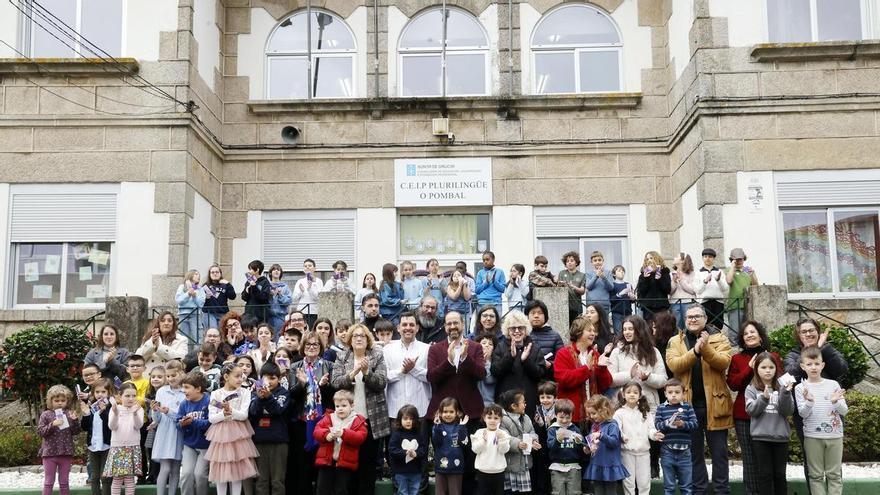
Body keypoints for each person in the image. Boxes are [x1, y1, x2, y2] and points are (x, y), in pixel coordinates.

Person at [665, 304, 733, 495]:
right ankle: (699, 490)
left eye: (697, 316)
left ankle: (722, 491)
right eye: (689, 317)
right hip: (687, 407)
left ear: (705, 319)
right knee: (694, 454)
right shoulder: (675, 341)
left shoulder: (719, 338)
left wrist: (705, 348)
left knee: (719, 453)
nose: (692, 319)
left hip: (715, 404)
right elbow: (674, 365)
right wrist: (695, 351)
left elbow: (723, 362)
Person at [783, 317, 848, 491]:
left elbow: (842, 369)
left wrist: (822, 348)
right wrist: (810, 352)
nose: (808, 334)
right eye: (803, 331)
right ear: (798, 335)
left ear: (817, 332)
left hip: (832, 412)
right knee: (812, 464)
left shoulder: (827, 349)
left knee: (834, 467)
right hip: (807, 416)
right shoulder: (793, 355)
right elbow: (790, 374)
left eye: (811, 330)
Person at [426, 311, 486, 494]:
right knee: (445, 461)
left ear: (463, 324)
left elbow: (481, 374)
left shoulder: (475, 347)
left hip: (470, 413)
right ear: (444, 326)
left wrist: (466, 359)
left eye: (456, 323)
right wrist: (449, 361)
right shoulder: (435, 349)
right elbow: (431, 377)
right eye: (449, 323)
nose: (453, 327)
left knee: (470, 460)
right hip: (444, 414)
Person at [330, 323, 390, 495]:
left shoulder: (376, 355)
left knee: (368, 466)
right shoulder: (342, 356)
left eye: (362, 336)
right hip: (347, 421)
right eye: (355, 335)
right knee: (348, 467)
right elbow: (335, 382)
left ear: (368, 339)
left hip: (371, 420)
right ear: (350, 339)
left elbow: (381, 382)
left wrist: (367, 373)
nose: (358, 338)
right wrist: (353, 373)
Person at [726, 320, 780, 495]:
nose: (749, 335)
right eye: (746, 333)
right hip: (744, 415)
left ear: (760, 335)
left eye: (753, 332)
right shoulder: (737, 358)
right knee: (749, 459)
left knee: (767, 460)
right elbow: (733, 384)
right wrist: (749, 368)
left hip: (769, 414)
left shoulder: (773, 356)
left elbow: (779, 381)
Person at [795, 347, 848, 495]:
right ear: (803, 366)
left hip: (835, 436)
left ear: (822, 365)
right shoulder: (800, 388)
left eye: (817, 364)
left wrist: (835, 402)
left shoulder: (833, 385)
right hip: (812, 436)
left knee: (834, 475)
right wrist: (809, 401)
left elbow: (844, 411)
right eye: (809, 364)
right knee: (815, 476)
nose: (813, 367)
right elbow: (803, 414)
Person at [288, 331, 334, 495]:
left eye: (315, 344)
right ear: (303, 346)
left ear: (321, 346)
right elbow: (291, 395)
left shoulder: (329, 365)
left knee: (321, 464)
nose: (312, 347)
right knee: (302, 465)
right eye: (308, 344)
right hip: (302, 421)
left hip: (323, 422)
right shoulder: (295, 366)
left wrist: (324, 385)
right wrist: (301, 384)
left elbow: (334, 394)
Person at [745, 351, 795, 495]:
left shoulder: (783, 387)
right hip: (760, 438)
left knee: (780, 475)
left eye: (771, 367)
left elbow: (788, 411)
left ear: (776, 369)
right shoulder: (751, 388)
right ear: (756, 369)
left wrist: (786, 393)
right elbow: (751, 410)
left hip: (780, 438)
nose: (768, 371)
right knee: (765, 475)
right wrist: (763, 398)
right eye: (763, 367)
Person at [206, 363, 259, 495]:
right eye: (237, 376)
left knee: (237, 472)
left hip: (238, 435)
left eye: (242, 376)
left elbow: (243, 415)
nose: (240, 379)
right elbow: (212, 418)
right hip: (220, 436)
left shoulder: (245, 393)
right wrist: (223, 414)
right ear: (226, 377)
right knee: (220, 470)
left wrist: (231, 410)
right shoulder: (216, 394)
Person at [552, 315, 612, 423]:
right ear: (578, 333)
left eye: (594, 330)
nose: (593, 334)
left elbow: (606, 384)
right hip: (571, 417)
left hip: (594, 416)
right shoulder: (563, 353)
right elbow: (564, 379)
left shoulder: (595, 354)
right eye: (589, 330)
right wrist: (586, 369)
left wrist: (602, 368)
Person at [314, 390, 368, 495]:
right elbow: (317, 431)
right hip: (327, 461)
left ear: (352, 406)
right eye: (337, 406)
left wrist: (344, 433)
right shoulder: (329, 417)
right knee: (322, 489)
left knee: (341, 490)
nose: (340, 409)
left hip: (345, 463)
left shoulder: (358, 421)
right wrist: (326, 435)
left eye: (344, 405)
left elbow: (360, 437)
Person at [608, 315, 668, 411]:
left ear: (639, 330)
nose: (626, 332)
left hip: (649, 404)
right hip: (624, 405)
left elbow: (663, 380)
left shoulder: (653, 351)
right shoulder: (616, 352)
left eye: (630, 329)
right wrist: (629, 375)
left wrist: (648, 378)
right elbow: (610, 380)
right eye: (624, 329)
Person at [249, 362, 291, 495]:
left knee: (277, 481)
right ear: (260, 379)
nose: (269, 381)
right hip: (259, 440)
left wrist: (268, 397)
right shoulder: (254, 393)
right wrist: (259, 399)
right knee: (261, 481)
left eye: (272, 378)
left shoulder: (284, 393)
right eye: (265, 378)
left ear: (279, 379)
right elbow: (253, 413)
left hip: (279, 442)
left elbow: (278, 410)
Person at [491, 311, 542, 417]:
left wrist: (525, 360)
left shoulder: (534, 348)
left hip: (529, 399)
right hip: (506, 399)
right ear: (508, 330)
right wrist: (510, 357)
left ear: (526, 329)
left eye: (520, 328)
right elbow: (495, 371)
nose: (517, 331)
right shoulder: (500, 347)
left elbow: (540, 374)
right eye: (513, 328)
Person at [614, 381, 660, 495]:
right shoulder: (619, 413)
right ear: (623, 394)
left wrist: (655, 435)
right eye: (628, 392)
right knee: (628, 482)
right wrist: (622, 436)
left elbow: (650, 429)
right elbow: (616, 429)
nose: (632, 394)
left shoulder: (645, 412)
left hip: (644, 453)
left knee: (644, 482)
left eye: (635, 392)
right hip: (627, 453)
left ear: (640, 395)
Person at [654, 378, 699, 495]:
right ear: (665, 394)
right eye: (670, 392)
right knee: (669, 486)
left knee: (687, 486)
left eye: (677, 392)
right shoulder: (661, 408)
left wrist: (683, 424)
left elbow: (695, 424)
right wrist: (667, 422)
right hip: (667, 451)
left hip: (685, 452)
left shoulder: (688, 407)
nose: (673, 395)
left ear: (683, 393)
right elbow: (657, 425)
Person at [384, 313, 431, 420]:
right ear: (398, 328)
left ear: (417, 328)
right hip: (395, 410)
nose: (408, 328)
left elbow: (430, 376)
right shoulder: (387, 350)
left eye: (411, 325)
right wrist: (402, 371)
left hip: (420, 409)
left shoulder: (427, 349)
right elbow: (385, 377)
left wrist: (414, 369)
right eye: (404, 325)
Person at [151, 360, 186, 495]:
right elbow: (157, 419)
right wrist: (155, 410)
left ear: (181, 373)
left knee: (175, 470)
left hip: (178, 433)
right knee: (165, 468)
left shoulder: (185, 392)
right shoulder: (161, 391)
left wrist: (169, 412)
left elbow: (182, 416)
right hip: (164, 433)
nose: (170, 378)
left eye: (173, 375)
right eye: (168, 376)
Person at [39, 384, 80, 495]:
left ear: (67, 401)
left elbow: (76, 431)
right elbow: (41, 432)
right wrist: (52, 424)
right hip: (49, 453)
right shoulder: (45, 415)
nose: (60, 403)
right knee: (48, 482)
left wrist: (75, 421)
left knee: (64, 482)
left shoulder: (69, 414)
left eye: (63, 400)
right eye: (56, 400)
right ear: (50, 401)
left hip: (66, 452)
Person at [583, 395, 628, 495]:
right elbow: (591, 441)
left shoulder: (612, 424)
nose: (591, 416)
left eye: (594, 413)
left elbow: (614, 442)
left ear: (603, 410)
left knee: (610, 491)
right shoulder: (594, 425)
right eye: (589, 414)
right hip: (597, 463)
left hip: (609, 465)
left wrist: (601, 436)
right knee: (598, 490)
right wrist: (587, 448)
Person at [104, 382, 145, 495]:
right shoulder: (115, 409)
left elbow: (138, 426)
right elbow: (112, 426)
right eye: (127, 396)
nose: (131, 398)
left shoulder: (139, 409)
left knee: (129, 479)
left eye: (134, 395)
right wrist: (116, 413)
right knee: (117, 479)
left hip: (132, 447)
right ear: (120, 395)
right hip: (118, 447)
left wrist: (135, 413)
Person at [498, 389, 540, 494]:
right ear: (513, 406)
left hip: (524, 463)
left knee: (524, 491)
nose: (525, 405)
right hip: (511, 463)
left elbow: (532, 431)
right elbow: (504, 437)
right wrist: (517, 444)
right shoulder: (502, 420)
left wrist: (533, 440)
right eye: (523, 402)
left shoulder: (526, 417)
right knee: (510, 491)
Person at [178, 371, 211, 495]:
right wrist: (181, 424)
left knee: (200, 475)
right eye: (183, 387)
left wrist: (193, 421)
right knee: (186, 474)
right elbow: (177, 422)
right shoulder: (184, 404)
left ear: (198, 388)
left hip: (206, 445)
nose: (184, 391)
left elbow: (210, 423)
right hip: (190, 445)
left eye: (187, 387)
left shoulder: (210, 401)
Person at [80, 378, 114, 495]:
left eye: (103, 392)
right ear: (93, 393)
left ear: (109, 392)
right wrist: (86, 415)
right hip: (93, 446)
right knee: (94, 477)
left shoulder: (111, 407)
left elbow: (111, 425)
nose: (100, 394)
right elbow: (85, 427)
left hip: (107, 446)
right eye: (97, 392)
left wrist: (104, 412)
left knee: (105, 476)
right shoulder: (90, 407)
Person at [431, 397, 470, 495]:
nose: (448, 414)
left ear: (457, 413)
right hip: (441, 467)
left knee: (455, 492)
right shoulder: (437, 427)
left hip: (456, 468)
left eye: (451, 412)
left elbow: (464, 443)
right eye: (445, 412)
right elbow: (436, 442)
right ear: (440, 413)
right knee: (440, 492)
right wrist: (438, 427)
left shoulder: (460, 427)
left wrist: (462, 427)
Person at [471, 404, 511, 495]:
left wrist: (501, 439)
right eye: (489, 417)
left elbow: (504, 450)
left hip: (499, 472)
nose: (492, 420)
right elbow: (475, 450)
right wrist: (483, 440)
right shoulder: (479, 432)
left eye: (496, 418)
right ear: (484, 418)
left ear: (500, 419)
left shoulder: (503, 434)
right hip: (482, 471)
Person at [546, 398, 583, 495]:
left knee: (575, 492)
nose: (564, 420)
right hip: (557, 467)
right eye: (561, 417)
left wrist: (579, 442)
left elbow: (581, 448)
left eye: (568, 417)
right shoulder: (552, 429)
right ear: (556, 415)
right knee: (558, 492)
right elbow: (550, 446)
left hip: (573, 466)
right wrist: (558, 440)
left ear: (572, 416)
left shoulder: (575, 429)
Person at [388, 404, 428, 495]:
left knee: (415, 492)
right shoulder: (397, 434)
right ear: (400, 420)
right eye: (405, 419)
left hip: (416, 471)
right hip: (400, 471)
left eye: (411, 419)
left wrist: (416, 453)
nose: (408, 421)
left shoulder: (418, 434)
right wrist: (405, 452)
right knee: (403, 492)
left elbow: (423, 449)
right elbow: (392, 450)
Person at [725, 248, 758, 343]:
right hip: (735, 305)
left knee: (747, 331)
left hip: (748, 306)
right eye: (736, 259)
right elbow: (729, 280)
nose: (739, 261)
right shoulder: (729, 270)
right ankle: (734, 348)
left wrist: (753, 274)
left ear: (744, 259)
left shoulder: (747, 271)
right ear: (732, 260)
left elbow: (755, 286)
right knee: (734, 332)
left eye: (741, 259)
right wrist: (733, 266)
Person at [523, 299, 564, 376]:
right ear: (527, 316)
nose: (536, 316)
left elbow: (562, 361)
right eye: (533, 313)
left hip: (548, 378)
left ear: (545, 316)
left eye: (540, 313)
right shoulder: (522, 335)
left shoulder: (555, 336)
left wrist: (551, 365)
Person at [692, 248, 728, 331]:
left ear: (714, 258)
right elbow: (697, 290)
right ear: (702, 258)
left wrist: (718, 280)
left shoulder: (719, 271)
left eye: (710, 257)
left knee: (719, 325)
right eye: (705, 256)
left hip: (718, 302)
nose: (707, 258)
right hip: (704, 303)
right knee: (704, 325)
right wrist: (705, 281)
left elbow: (725, 288)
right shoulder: (698, 273)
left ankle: (717, 338)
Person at [530, 381, 556, 495]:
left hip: (554, 448)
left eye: (548, 397)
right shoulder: (537, 411)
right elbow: (534, 431)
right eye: (542, 397)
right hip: (541, 447)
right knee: (540, 474)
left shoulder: (558, 410)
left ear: (555, 398)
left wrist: (551, 423)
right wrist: (540, 424)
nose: (545, 400)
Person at [636, 251, 672, 322]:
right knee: (649, 326)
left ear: (657, 259)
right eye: (647, 259)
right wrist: (646, 279)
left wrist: (659, 279)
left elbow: (667, 290)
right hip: (648, 307)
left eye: (651, 258)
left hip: (661, 306)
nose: (649, 260)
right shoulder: (643, 275)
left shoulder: (664, 272)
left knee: (662, 326)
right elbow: (641, 291)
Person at [176, 269, 207, 342]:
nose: (198, 276)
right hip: (183, 315)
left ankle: (197, 350)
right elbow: (179, 300)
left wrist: (194, 296)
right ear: (190, 275)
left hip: (195, 314)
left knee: (197, 337)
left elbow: (201, 304)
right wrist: (188, 294)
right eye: (196, 274)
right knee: (183, 337)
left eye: (199, 274)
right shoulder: (182, 287)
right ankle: (184, 350)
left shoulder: (200, 289)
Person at [203, 264, 237, 331]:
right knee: (213, 331)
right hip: (210, 313)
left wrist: (228, 284)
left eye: (217, 272)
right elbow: (201, 300)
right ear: (209, 274)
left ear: (220, 273)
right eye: (212, 272)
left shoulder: (225, 284)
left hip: (223, 313)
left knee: (222, 332)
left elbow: (232, 296)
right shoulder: (205, 285)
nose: (215, 274)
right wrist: (205, 297)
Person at [292, 258, 324, 328]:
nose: (307, 267)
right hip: (302, 311)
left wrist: (310, 288)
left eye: (310, 265)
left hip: (314, 312)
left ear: (314, 268)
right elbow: (294, 298)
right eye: (305, 266)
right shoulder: (300, 281)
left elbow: (318, 298)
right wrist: (301, 291)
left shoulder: (318, 281)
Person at [557, 251, 586, 325]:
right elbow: (558, 290)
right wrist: (560, 285)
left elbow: (582, 291)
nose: (569, 262)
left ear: (576, 262)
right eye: (567, 261)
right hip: (564, 306)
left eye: (572, 260)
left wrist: (574, 287)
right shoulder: (562, 273)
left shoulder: (582, 275)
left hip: (577, 307)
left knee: (576, 327)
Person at [442, 264, 473, 331]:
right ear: (452, 278)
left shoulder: (465, 285)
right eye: (454, 275)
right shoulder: (449, 286)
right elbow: (454, 297)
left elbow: (467, 298)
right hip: (453, 312)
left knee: (464, 332)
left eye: (458, 275)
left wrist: (464, 285)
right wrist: (460, 286)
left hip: (464, 313)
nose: (456, 277)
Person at [670, 254, 697, 330]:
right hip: (674, 303)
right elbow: (670, 292)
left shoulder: (692, 273)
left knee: (688, 325)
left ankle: (688, 338)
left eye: (677, 256)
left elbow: (692, 291)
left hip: (688, 302)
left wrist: (681, 280)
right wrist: (674, 281)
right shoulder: (671, 274)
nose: (674, 258)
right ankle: (678, 338)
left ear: (683, 260)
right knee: (676, 326)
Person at [243, 260, 273, 326]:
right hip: (249, 313)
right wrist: (246, 292)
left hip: (261, 314)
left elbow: (263, 297)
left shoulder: (265, 282)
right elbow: (244, 298)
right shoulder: (248, 281)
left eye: (251, 269)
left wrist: (254, 287)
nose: (249, 271)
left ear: (257, 270)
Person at [267, 264, 293, 336]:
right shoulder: (267, 286)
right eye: (274, 269)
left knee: (279, 337)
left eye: (278, 270)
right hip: (268, 317)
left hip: (280, 317)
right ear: (270, 273)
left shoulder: (285, 287)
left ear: (280, 273)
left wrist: (280, 295)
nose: (276, 271)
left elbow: (288, 301)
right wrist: (269, 295)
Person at [609, 265, 635, 335]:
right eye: (619, 271)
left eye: (623, 271)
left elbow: (632, 301)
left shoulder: (628, 284)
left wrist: (632, 297)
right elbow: (611, 299)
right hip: (617, 313)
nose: (622, 272)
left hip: (628, 312)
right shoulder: (612, 285)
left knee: (629, 332)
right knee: (619, 332)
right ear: (614, 274)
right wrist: (620, 293)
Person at [476, 335, 497, 406]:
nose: (487, 345)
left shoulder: (495, 363)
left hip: (489, 403)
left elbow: (489, 380)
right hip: (475, 402)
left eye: (490, 344)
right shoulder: (474, 361)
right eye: (484, 343)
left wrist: (487, 361)